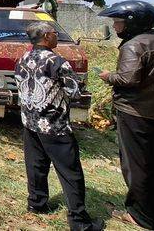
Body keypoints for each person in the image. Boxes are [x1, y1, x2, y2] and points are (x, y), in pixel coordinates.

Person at [98, 0, 154, 230]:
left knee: (137, 166)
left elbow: (128, 80)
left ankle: (141, 216)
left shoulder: (134, 46)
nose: (115, 26)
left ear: (133, 23)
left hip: (137, 115)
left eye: (118, 22)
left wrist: (107, 76)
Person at [16, 21, 104, 231]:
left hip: (30, 122)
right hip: (54, 126)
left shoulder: (22, 59)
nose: (57, 37)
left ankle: (36, 203)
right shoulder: (57, 62)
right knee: (70, 172)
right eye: (55, 33)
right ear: (46, 37)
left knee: (35, 165)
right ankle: (80, 222)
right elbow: (74, 92)